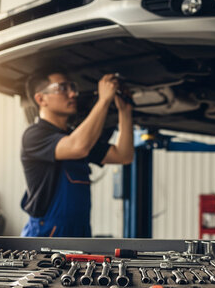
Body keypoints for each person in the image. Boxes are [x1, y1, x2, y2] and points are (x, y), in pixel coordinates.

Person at [20, 70, 134, 237]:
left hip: (80, 232)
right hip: (46, 236)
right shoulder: (34, 135)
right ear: (41, 99)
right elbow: (78, 147)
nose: (72, 94)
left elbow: (124, 155)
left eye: (72, 88)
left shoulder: (77, 136)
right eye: (62, 88)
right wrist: (103, 100)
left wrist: (125, 112)